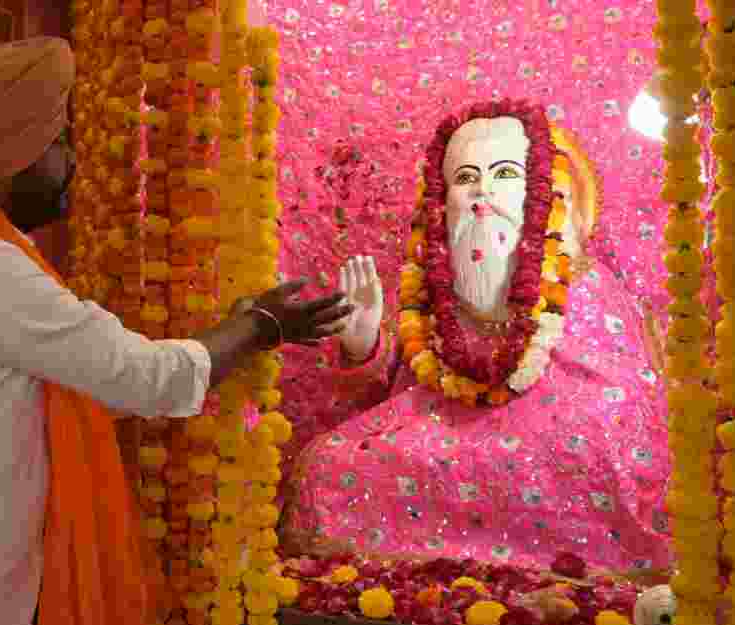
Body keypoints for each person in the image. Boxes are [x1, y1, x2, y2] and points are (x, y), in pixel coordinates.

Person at [0, 37, 351, 625]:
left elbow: (104, 361)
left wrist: (237, 328)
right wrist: (260, 326)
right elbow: (142, 377)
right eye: (58, 143)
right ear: (8, 158)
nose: (72, 161)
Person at [281, 99, 671, 573]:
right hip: (441, 429)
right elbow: (407, 382)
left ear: (546, 192)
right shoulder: (435, 287)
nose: (481, 194)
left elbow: (622, 396)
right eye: (465, 179)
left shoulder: (581, 278)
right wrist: (364, 343)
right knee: (331, 464)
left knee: (599, 457)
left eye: (504, 174)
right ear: (442, 200)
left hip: (556, 444)